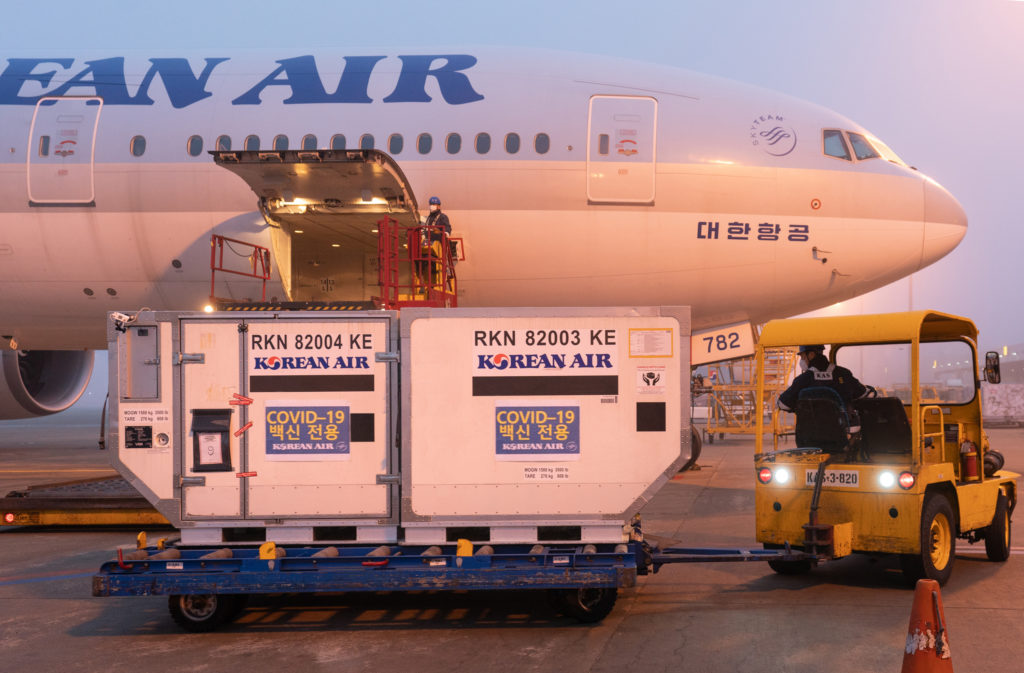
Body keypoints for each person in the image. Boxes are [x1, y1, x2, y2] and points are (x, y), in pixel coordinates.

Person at [777, 344, 867, 412]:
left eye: (803, 357)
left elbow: (783, 404)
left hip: (811, 434)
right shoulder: (844, 374)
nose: (802, 360)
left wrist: (799, 408)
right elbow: (863, 394)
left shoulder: (803, 379)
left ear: (811, 355)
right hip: (842, 433)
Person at [417, 196, 453, 290]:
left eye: (434, 204)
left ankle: (442, 276)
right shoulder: (428, 218)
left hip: (439, 245)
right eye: (431, 204)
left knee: (436, 263)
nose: (432, 206)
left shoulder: (442, 217)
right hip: (429, 245)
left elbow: (448, 229)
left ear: (438, 206)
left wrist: (442, 232)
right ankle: (425, 283)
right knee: (423, 261)